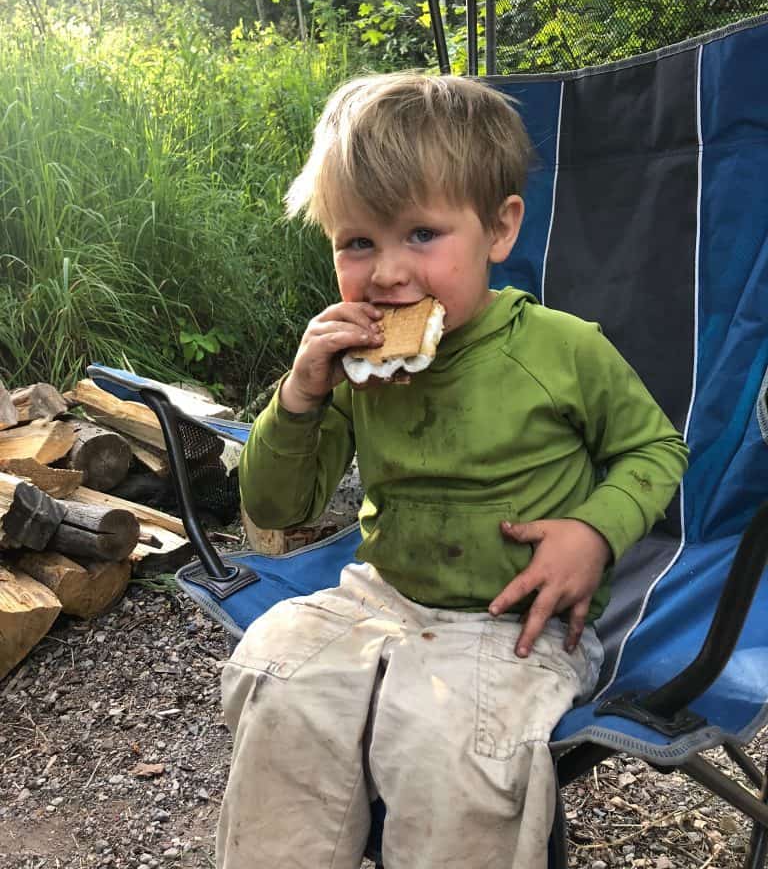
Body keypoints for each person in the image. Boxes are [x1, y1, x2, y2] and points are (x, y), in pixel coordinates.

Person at [217, 73, 689, 869]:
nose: (389, 273)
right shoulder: (350, 366)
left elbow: (655, 449)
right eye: (357, 242)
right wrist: (301, 393)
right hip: (381, 594)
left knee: (454, 751)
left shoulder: (563, 348)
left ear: (499, 230)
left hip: (518, 624)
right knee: (276, 674)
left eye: (422, 236)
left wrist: (591, 534)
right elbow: (276, 503)